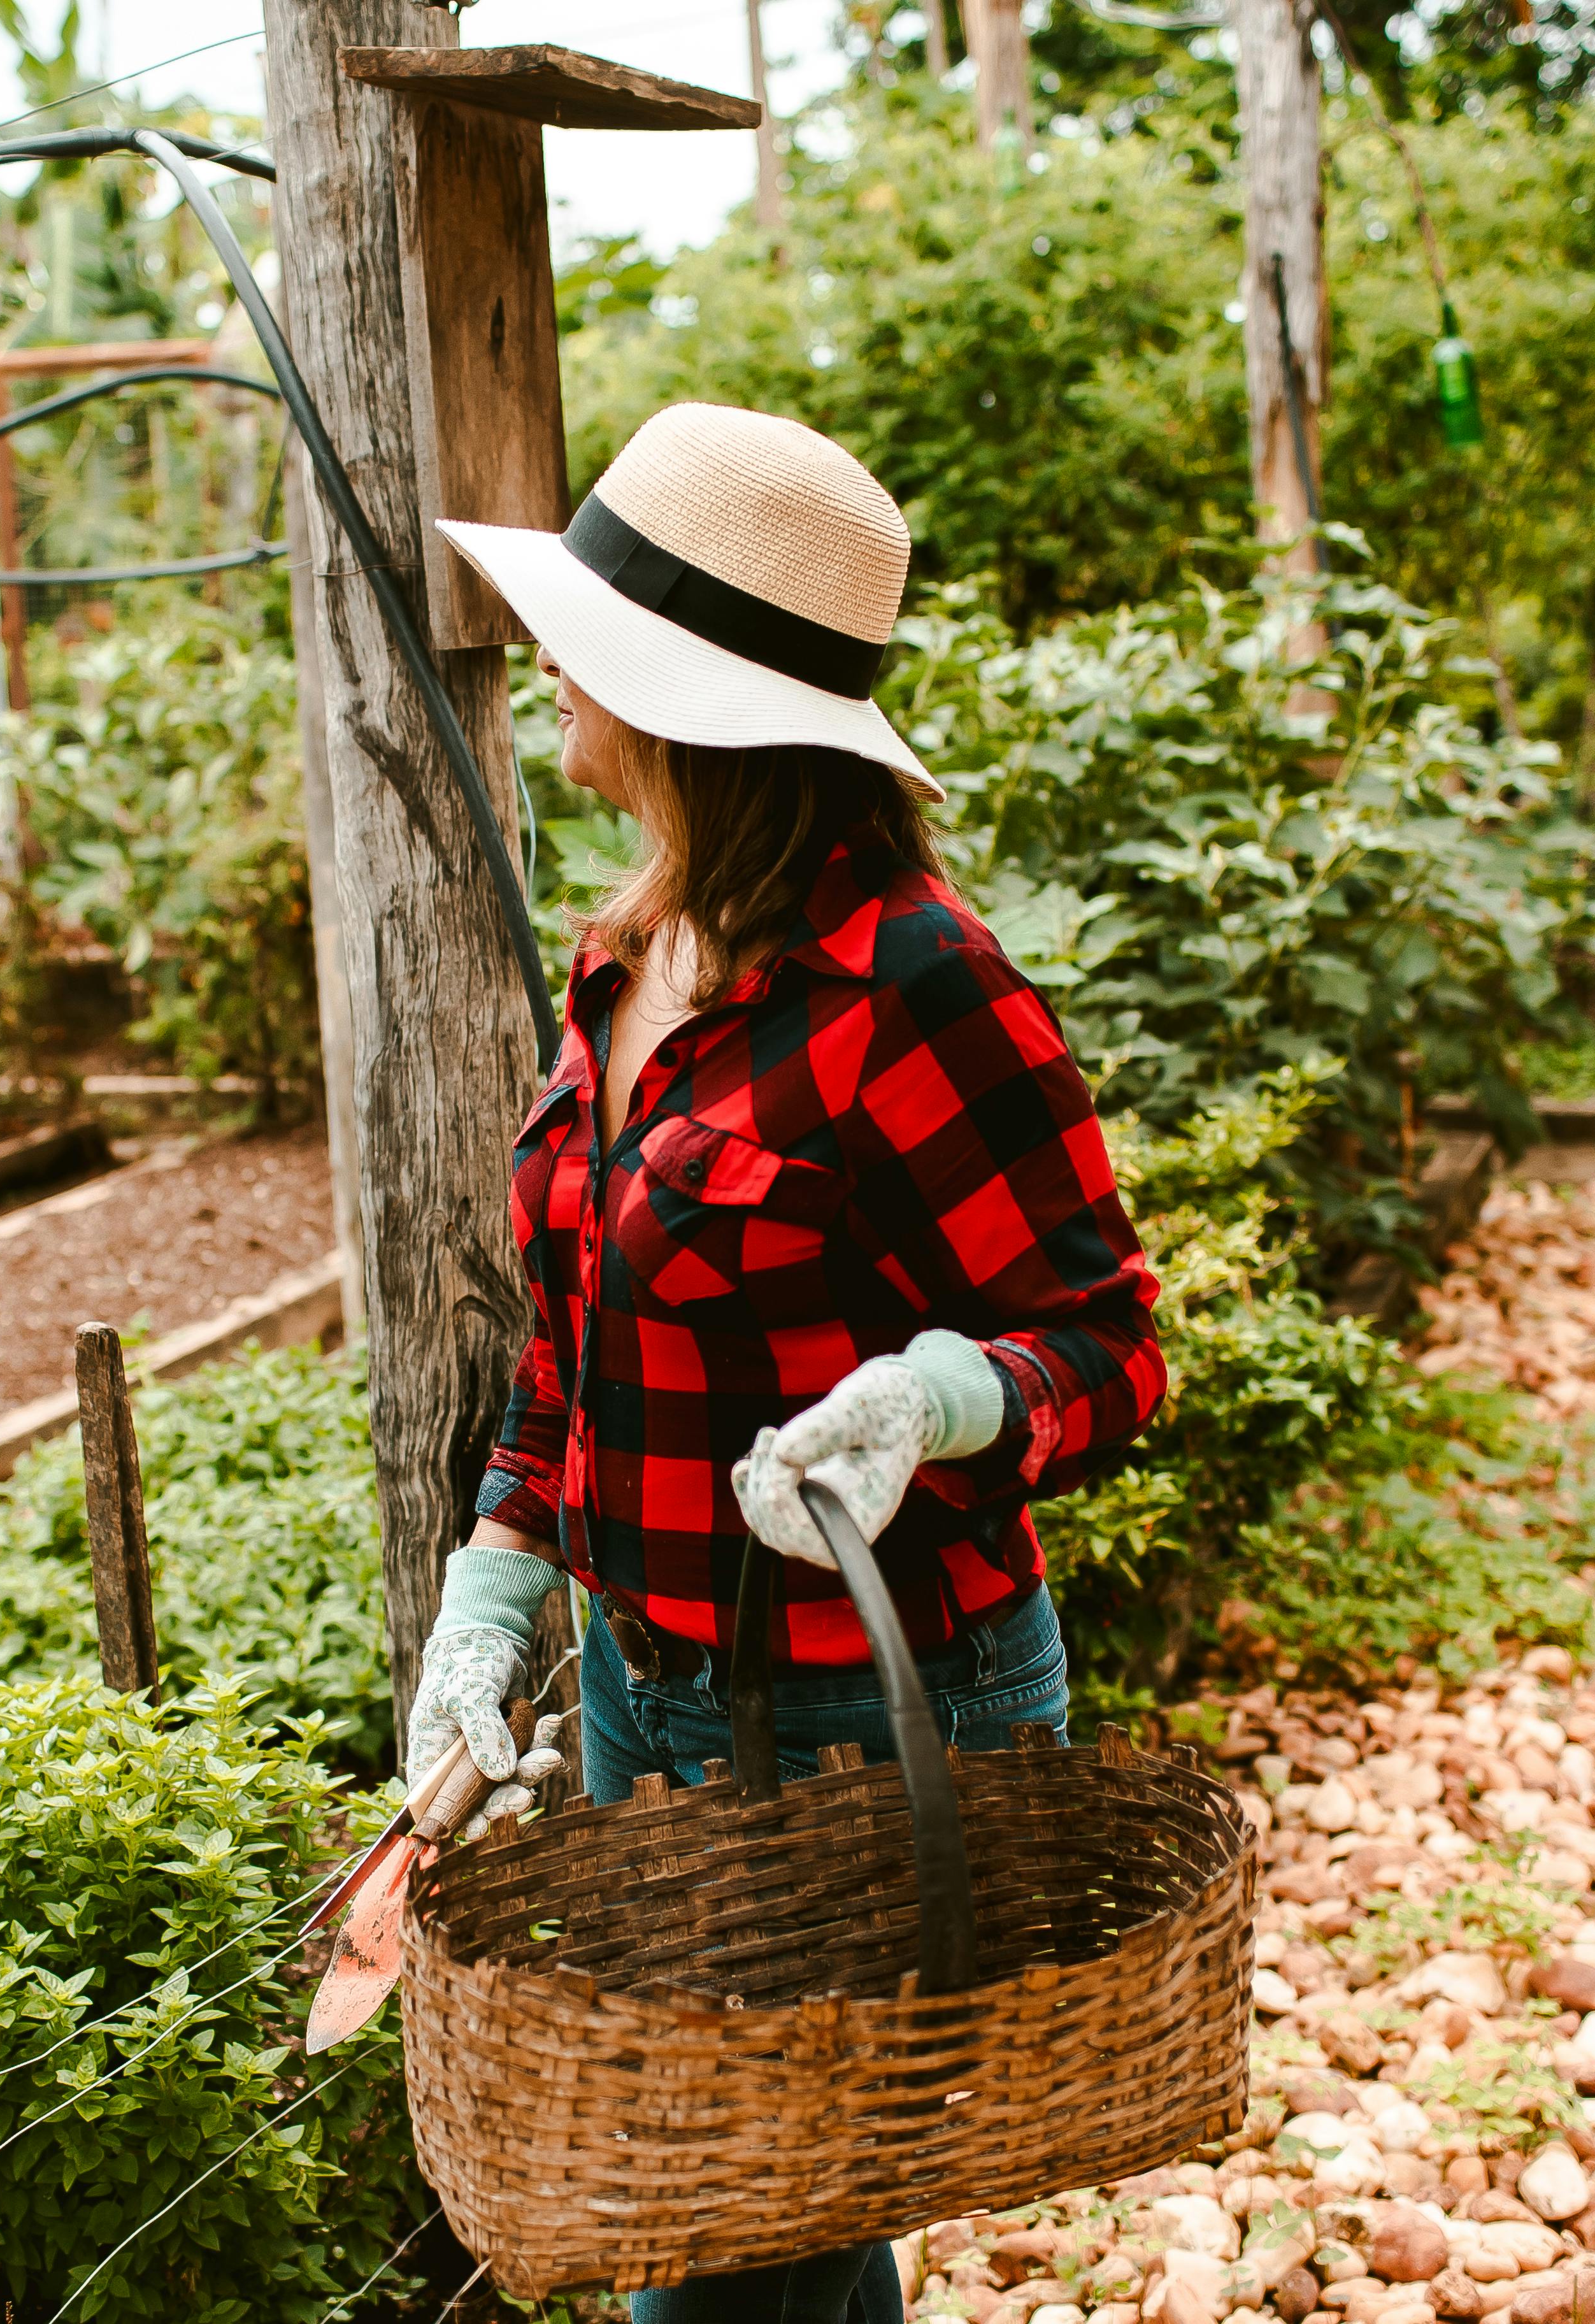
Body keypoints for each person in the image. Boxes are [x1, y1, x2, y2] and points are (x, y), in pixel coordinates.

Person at [402, 402, 1168, 2324]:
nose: (559, 659)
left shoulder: (914, 980)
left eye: (596, 634)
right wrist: (494, 1601)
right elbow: (576, 1348)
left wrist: (934, 1401)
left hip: (865, 1714)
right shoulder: (630, 954)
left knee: (718, 2251)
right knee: (786, 2226)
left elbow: (1110, 1341)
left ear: (696, 701)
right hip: (656, 1696)